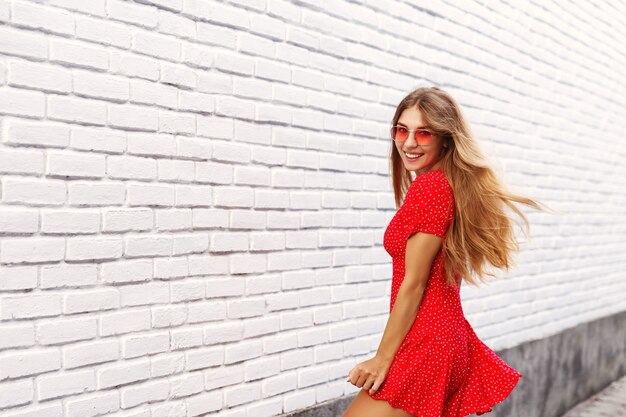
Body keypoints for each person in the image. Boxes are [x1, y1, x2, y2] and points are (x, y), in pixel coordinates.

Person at [342, 87, 552, 417]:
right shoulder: (441, 184)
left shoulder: (431, 187)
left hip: (428, 343)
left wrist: (381, 359)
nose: (409, 142)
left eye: (423, 133)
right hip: (442, 336)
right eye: (402, 129)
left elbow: (415, 283)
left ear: (445, 139)